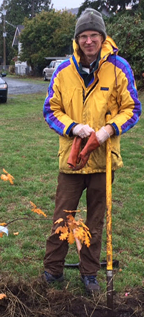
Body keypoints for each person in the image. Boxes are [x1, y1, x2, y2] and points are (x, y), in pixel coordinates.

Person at [43, 8, 141, 294]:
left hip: (103, 160)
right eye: (83, 36)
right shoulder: (64, 70)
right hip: (71, 162)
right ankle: (53, 270)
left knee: (96, 220)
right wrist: (74, 128)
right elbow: (50, 110)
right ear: (77, 39)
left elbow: (132, 108)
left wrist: (107, 131)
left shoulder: (119, 67)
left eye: (94, 35)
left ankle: (89, 273)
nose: (89, 41)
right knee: (63, 217)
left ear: (102, 37)